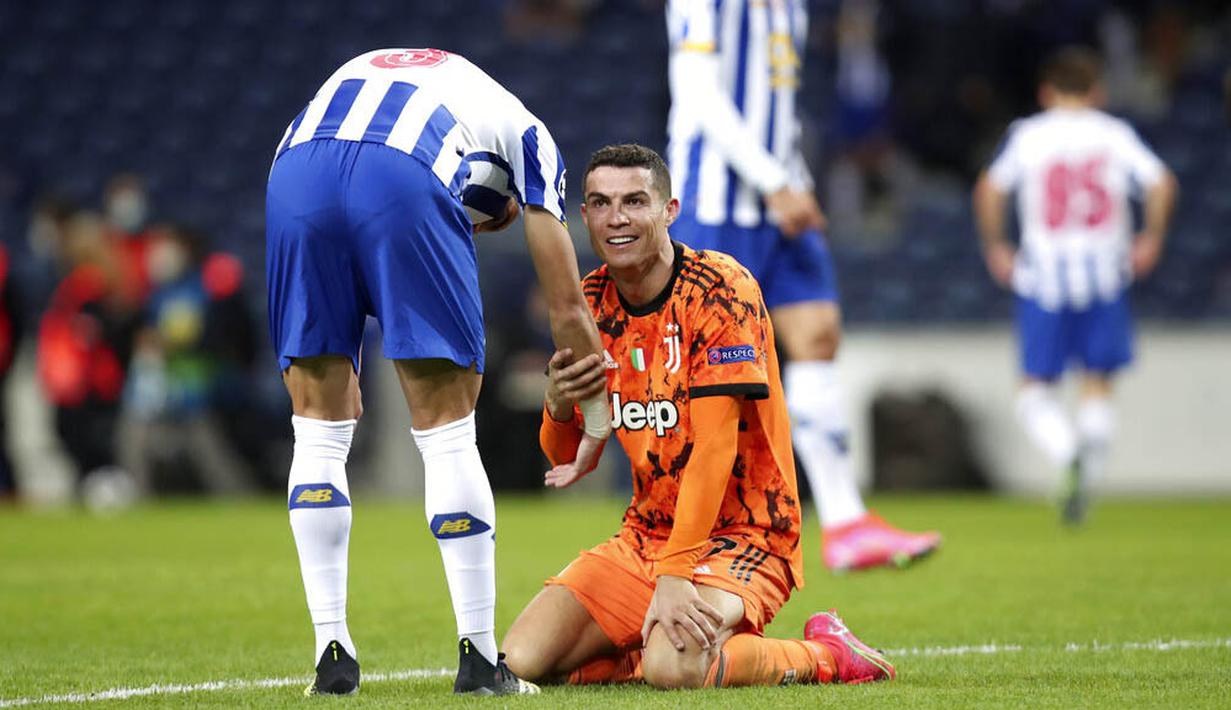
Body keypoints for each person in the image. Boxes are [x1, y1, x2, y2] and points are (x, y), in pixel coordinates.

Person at [266, 47, 610, 696]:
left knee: (315, 428)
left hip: (295, 169)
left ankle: (330, 655)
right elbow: (565, 305)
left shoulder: (398, 71)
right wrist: (594, 392)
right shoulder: (528, 131)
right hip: (404, 178)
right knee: (447, 432)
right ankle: (480, 662)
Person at [502, 144, 896, 690]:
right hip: (646, 533)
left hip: (748, 533)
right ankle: (648, 647)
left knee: (675, 667)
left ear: (669, 210)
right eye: (600, 203)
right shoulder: (588, 302)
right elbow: (564, 456)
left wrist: (676, 571)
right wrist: (558, 404)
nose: (616, 218)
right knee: (522, 660)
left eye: (635, 201)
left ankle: (824, 653)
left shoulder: (720, 292)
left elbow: (714, 448)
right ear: (585, 215)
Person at [664, 0, 939, 571]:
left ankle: (844, 522)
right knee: (710, 370)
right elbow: (696, 89)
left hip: (779, 197)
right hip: (715, 203)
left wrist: (794, 179)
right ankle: (679, 529)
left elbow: (779, 107)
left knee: (817, 336)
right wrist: (772, 181)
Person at [973, 47, 1177, 524]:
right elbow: (1161, 182)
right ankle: (1086, 483)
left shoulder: (1028, 135)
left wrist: (997, 245)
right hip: (1105, 274)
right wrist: (1152, 236)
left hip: (1044, 277)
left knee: (1034, 389)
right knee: (1098, 382)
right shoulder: (1114, 134)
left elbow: (989, 188)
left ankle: (1066, 455)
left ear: (1046, 92)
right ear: (1097, 91)